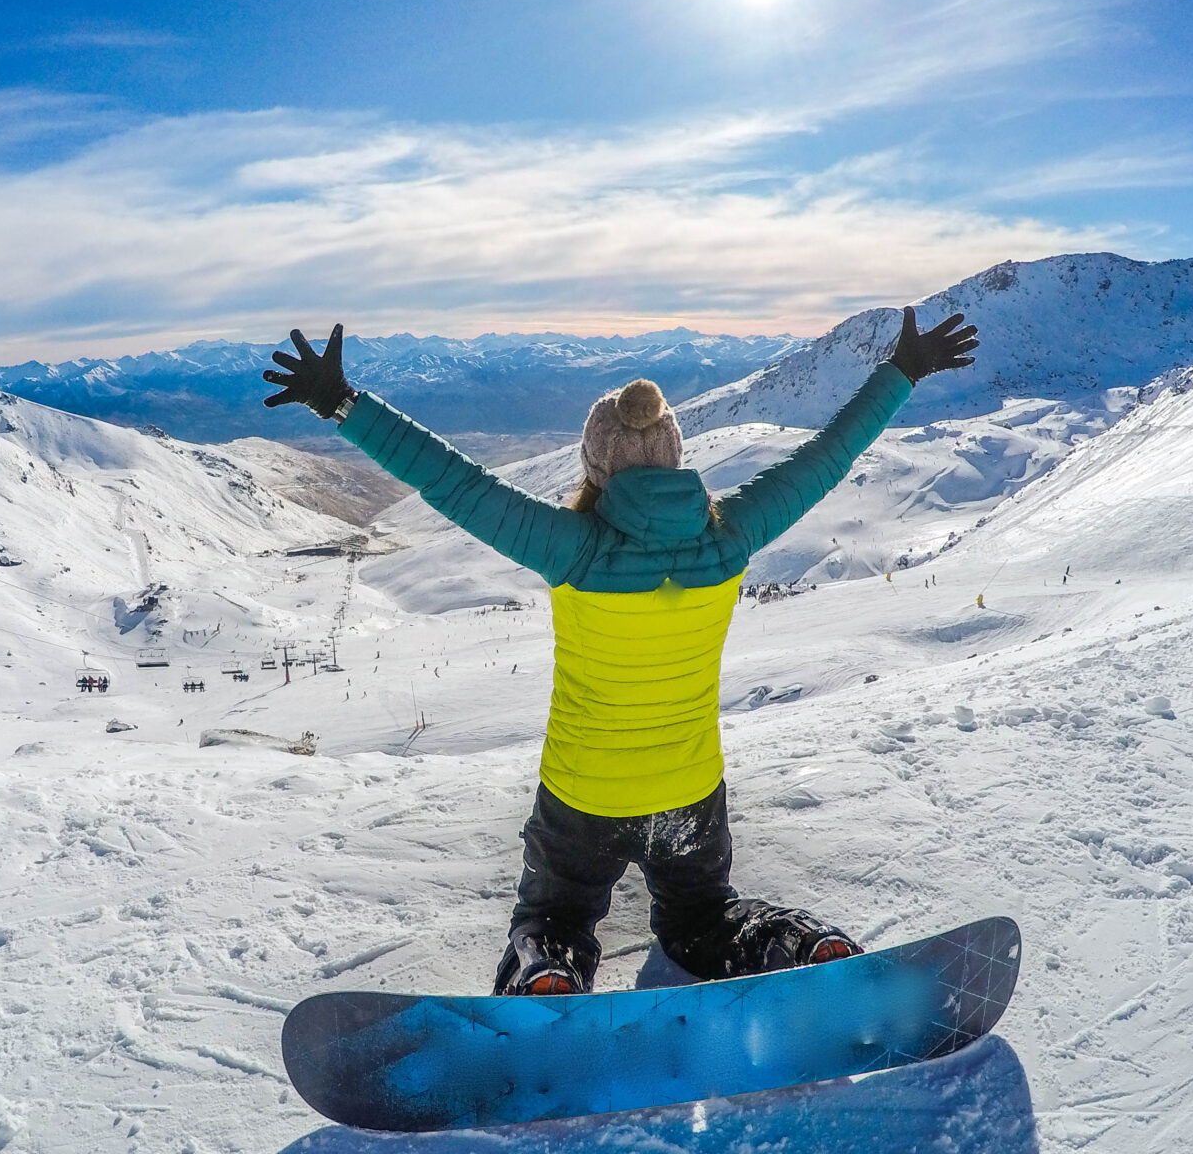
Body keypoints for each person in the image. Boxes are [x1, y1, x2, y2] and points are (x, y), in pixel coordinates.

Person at [263, 308, 977, 996]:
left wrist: (341, 402)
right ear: (674, 455)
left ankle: (548, 973)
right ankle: (792, 945)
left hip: (583, 798)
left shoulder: (572, 548)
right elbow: (826, 457)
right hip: (689, 792)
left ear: (596, 466)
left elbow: (452, 482)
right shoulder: (729, 537)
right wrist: (901, 371)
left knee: (557, 917)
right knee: (705, 922)